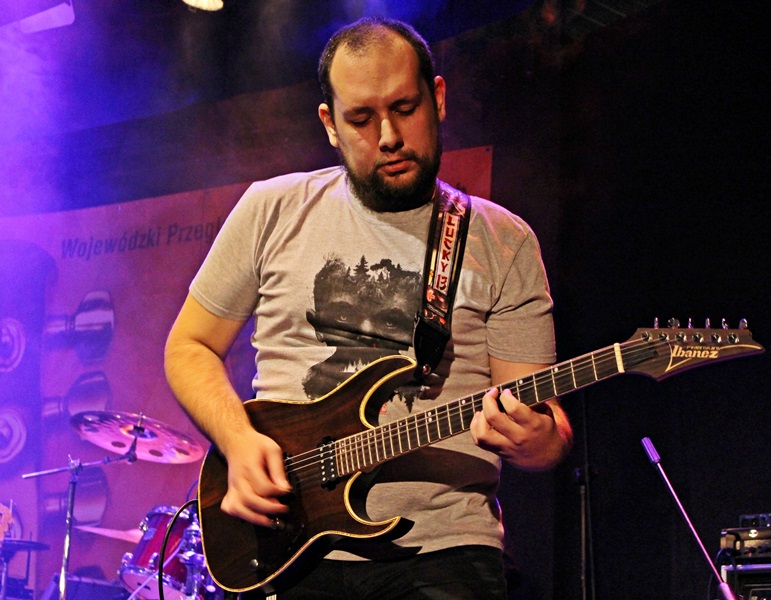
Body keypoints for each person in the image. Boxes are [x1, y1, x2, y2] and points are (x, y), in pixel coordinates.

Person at [164, 16, 572, 600]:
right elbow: (190, 346)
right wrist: (237, 440)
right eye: (360, 118)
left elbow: (540, 418)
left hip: (446, 548)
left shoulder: (502, 240)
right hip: (287, 543)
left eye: (405, 108)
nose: (388, 137)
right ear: (330, 124)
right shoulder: (271, 209)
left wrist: (537, 438)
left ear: (437, 98)